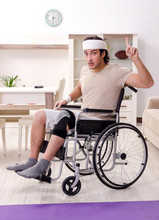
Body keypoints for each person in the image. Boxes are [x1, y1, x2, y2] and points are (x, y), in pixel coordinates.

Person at [7, 36, 154, 179]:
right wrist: (67, 98)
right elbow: (80, 87)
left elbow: (147, 83)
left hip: (99, 120)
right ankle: (31, 162)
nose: (89, 58)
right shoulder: (85, 70)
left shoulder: (117, 71)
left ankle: (43, 165)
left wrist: (135, 59)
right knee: (40, 114)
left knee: (65, 115)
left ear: (103, 53)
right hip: (83, 116)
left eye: (94, 53)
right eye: (86, 53)